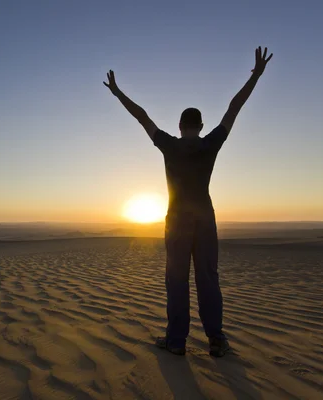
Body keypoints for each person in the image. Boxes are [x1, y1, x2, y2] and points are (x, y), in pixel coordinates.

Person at [103, 47, 273, 357]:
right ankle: (216, 339)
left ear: (181, 126)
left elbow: (142, 117)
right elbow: (234, 107)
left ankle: (177, 341)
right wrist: (256, 76)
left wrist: (117, 93)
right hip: (205, 220)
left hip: (178, 221)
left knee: (177, 280)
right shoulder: (211, 144)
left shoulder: (169, 144)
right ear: (202, 126)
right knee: (208, 278)